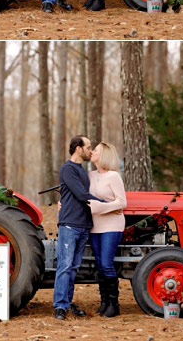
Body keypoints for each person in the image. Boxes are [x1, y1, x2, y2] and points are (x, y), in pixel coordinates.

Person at [53, 135, 106, 320]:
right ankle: (59, 306)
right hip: (70, 225)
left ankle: (66, 304)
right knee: (65, 266)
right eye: (88, 147)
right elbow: (82, 195)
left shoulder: (82, 171)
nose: (90, 150)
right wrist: (108, 203)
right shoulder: (68, 169)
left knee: (74, 267)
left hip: (84, 225)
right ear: (78, 148)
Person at [87, 142, 127, 318]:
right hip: (95, 226)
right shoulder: (89, 175)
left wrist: (99, 207)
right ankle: (104, 302)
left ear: (104, 155)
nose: (92, 152)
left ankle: (114, 304)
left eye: (95, 150)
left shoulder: (114, 176)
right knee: (99, 264)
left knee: (106, 263)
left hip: (112, 225)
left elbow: (122, 203)